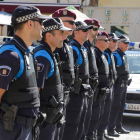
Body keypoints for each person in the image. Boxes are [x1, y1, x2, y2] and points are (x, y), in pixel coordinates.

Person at [0, 5, 49, 140]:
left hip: (25, 129)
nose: (43, 27)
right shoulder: (11, 55)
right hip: (11, 131)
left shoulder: (27, 53)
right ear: (30, 23)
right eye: (41, 22)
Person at [33, 18, 71, 140]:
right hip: (45, 120)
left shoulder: (50, 54)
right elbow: (35, 91)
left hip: (52, 117)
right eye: (61, 33)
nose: (64, 37)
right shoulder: (43, 57)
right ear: (49, 35)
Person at [62, 21, 92, 140]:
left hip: (82, 92)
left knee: (80, 124)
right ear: (76, 32)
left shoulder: (82, 48)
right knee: (71, 125)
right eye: (84, 30)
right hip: (74, 94)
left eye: (88, 30)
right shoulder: (73, 49)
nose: (87, 33)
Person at [52, 9, 76, 140]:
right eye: (71, 22)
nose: (74, 26)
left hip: (64, 95)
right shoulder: (52, 45)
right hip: (52, 99)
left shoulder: (66, 44)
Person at [86, 31, 110, 140]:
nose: (108, 42)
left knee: (100, 115)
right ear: (98, 41)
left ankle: (95, 135)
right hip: (96, 92)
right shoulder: (95, 53)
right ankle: (91, 136)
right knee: (93, 117)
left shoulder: (102, 54)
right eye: (106, 40)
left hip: (102, 92)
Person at [97, 33, 119, 140]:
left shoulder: (110, 54)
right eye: (113, 41)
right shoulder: (104, 54)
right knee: (102, 112)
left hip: (110, 86)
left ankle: (102, 132)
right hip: (104, 88)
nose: (115, 43)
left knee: (106, 112)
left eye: (116, 41)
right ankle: (99, 133)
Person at [108, 35, 130, 137]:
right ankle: (111, 128)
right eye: (125, 43)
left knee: (121, 107)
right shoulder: (116, 54)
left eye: (128, 43)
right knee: (115, 107)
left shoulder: (124, 55)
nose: (127, 45)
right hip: (118, 85)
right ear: (119, 43)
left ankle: (118, 126)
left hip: (124, 84)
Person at [81, 18, 100, 140]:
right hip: (83, 88)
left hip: (91, 87)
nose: (97, 32)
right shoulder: (83, 46)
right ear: (88, 29)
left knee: (88, 117)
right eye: (95, 29)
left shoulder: (91, 46)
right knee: (81, 120)